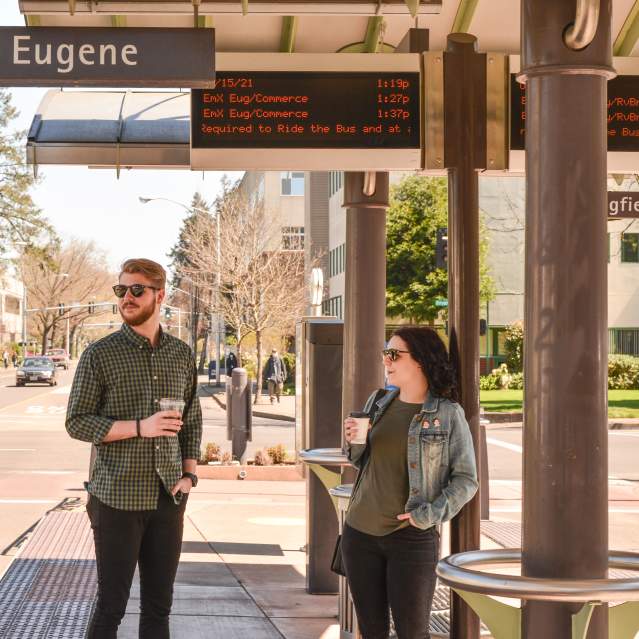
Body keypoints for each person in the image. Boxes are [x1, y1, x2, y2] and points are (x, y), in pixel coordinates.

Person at [66, 258, 203, 639]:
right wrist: (140, 428)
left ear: (160, 295)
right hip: (116, 497)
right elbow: (77, 421)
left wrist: (189, 473)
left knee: (159, 607)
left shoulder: (181, 354)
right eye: (121, 290)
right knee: (111, 605)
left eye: (136, 290)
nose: (127, 297)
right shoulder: (100, 354)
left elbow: (191, 419)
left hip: (168, 497)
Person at [342, 326, 478, 639]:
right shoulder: (378, 401)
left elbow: (466, 479)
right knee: (371, 631)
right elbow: (360, 461)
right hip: (359, 534)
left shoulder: (447, 414)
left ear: (419, 361)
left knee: (413, 632)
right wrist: (355, 441)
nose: (386, 360)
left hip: (411, 538)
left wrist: (428, 515)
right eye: (384, 354)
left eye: (393, 354)